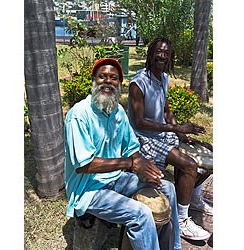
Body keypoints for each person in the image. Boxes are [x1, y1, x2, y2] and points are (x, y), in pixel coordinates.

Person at [64, 57, 182, 250]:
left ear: (120, 83)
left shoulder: (118, 111)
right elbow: (85, 165)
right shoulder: (79, 115)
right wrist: (131, 164)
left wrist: (145, 168)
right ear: (94, 80)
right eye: (102, 77)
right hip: (88, 190)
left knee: (167, 188)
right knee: (141, 214)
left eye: (114, 78)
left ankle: (174, 247)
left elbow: (132, 149)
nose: (108, 81)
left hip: (115, 180)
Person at [127, 37, 213, 241]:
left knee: (208, 151)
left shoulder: (163, 78)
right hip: (144, 139)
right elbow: (139, 122)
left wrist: (182, 134)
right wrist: (175, 128)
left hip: (163, 134)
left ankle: (192, 197)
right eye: (158, 51)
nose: (162, 56)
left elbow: (166, 111)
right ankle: (182, 220)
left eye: (166, 53)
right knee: (190, 165)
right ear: (150, 53)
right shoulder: (138, 84)